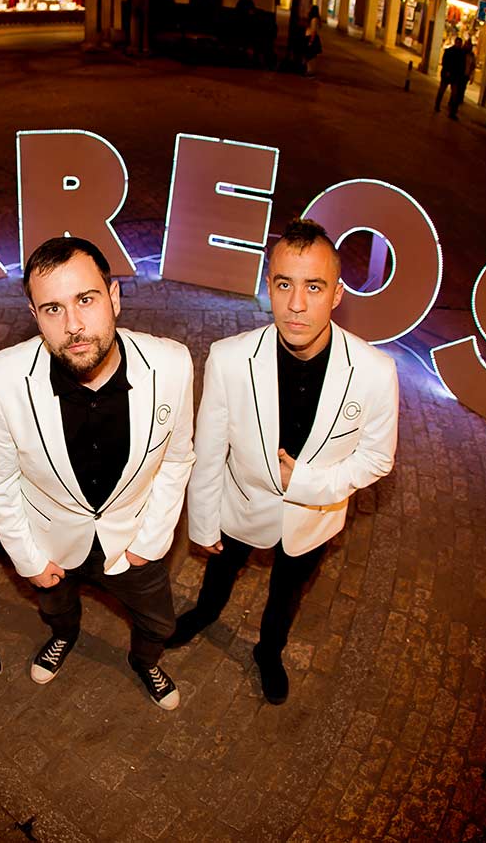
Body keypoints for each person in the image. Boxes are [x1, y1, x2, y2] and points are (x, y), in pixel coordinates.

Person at [167, 219, 399, 704]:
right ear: (268, 286)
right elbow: (208, 451)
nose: (296, 304)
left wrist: (308, 483)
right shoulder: (229, 358)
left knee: (287, 594)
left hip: (313, 520)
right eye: (284, 284)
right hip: (239, 507)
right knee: (219, 573)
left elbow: (377, 459)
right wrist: (203, 524)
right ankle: (204, 614)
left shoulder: (376, 372)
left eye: (314, 287)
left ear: (336, 294)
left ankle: (268, 651)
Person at [0, 237, 196, 710]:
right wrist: (28, 559)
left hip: (134, 539)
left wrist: (150, 541)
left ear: (114, 297)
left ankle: (145, 661)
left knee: (159, 622)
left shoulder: (172, 364)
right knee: (57, 610)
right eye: (53, 309)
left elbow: (178, 459)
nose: (73, 325)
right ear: (35, 316)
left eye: (85, 299)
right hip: (52, 543)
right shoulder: (2, 376)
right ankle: (64, 636)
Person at [435, 37, 465, 114]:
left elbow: (462, 66)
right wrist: (447, 71)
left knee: (454, 94)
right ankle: (437, 105)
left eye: (460, 43)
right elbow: (444, 62)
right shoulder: (449, 51)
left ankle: (452, 111)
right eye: (457, 43)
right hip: (447, 74)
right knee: (442, 90)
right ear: (455, 43)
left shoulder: (461, 54)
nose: (458, 44)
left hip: (455, 76)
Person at [450, 38, 477, 119]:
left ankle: (454, 109)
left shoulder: (471, 55)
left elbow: (473, 66)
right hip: (458, 75)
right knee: (456, 92)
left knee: (460, 93)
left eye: (469, 45)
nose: (468, 46)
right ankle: (452, 109)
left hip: (465, 76)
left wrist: (471, 76)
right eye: (467, 44)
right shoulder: (461, 52)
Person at [303, 4, 323, 75]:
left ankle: (310, 71)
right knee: (311, 55)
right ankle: (309, 70)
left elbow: (313, 31)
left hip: (311, 37)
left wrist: (311, 41)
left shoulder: (314, 19)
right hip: (311, 37)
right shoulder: (315, 19)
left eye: (310, 9)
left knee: (310, 55)